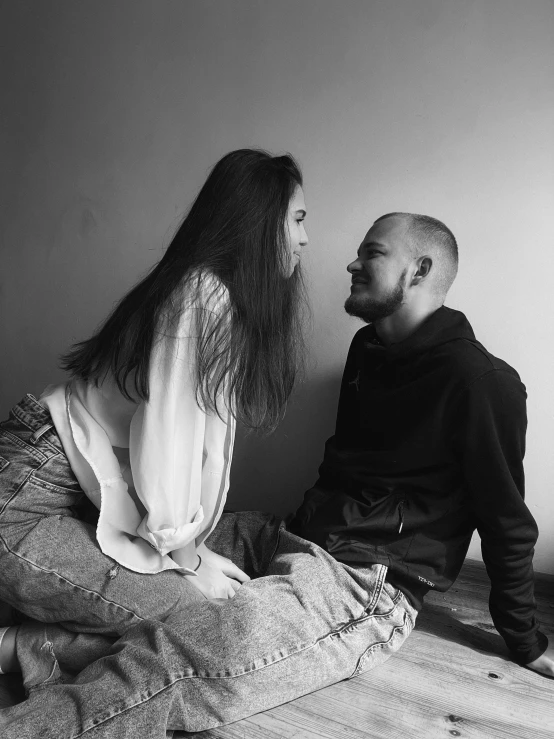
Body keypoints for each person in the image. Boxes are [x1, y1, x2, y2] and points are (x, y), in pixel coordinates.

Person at [1, 212, 552, 739]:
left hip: (364, 578)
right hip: (291, 534)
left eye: (373, 253)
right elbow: (343, 465)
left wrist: (524, 640)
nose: (352, 264)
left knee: (184, 657)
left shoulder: (483, 382)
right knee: (132, 543)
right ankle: (27, 641)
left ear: (421, 270)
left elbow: (505, 518)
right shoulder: (368, 350)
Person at [0, 148, 308, 673]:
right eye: (298, 219)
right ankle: (13, 648)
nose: (304, 238)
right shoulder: (203, 296)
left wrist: (191, 553)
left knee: (209, 618)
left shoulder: (210, 295)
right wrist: (185, 564)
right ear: (259, 220)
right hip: (24, 500)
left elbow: (158, 454)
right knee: (202, 625)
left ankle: (18, 641)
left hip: (70, 492)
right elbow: (169, 455)